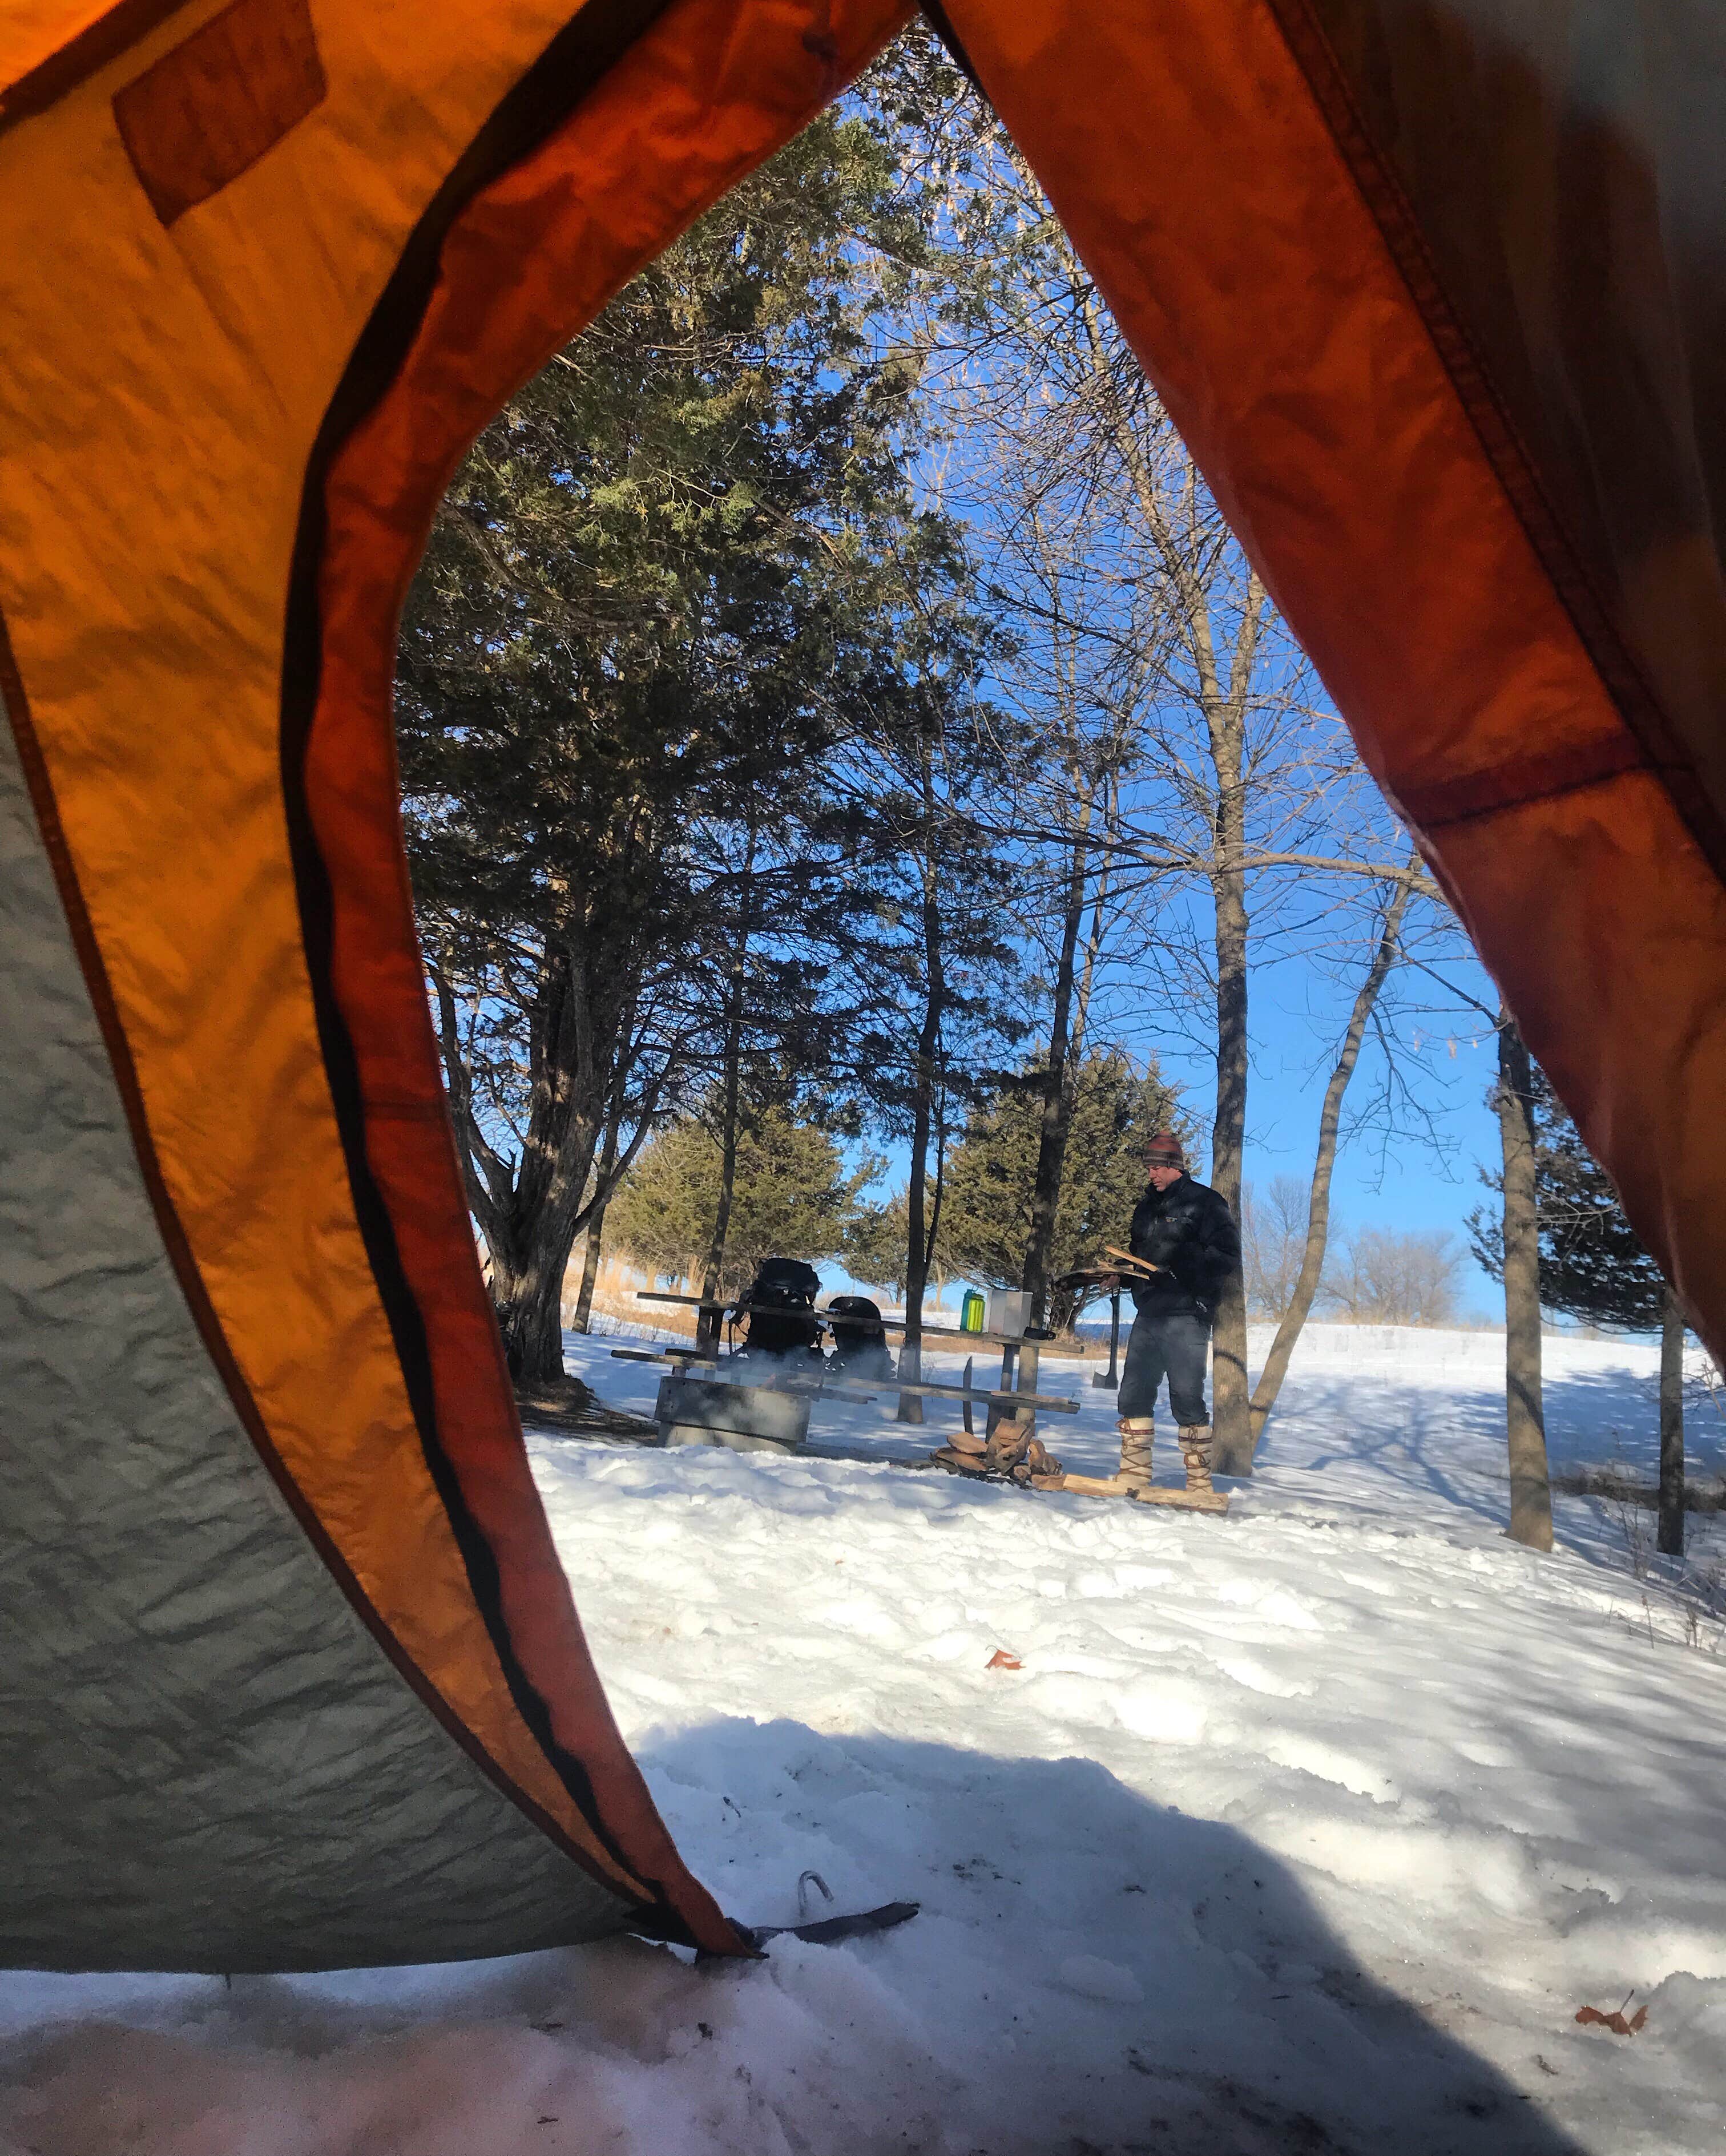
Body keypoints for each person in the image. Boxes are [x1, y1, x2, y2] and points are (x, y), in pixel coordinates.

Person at [1106, 1130, 1240, 1494]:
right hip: (1148, 1311)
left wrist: (1184, 1261)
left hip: (1187, 1314)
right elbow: (1140, 1260)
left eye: (1157, 1168)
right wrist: (1120, 1275)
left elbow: (1227, 1256)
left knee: (1186, 1397)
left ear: (1175, 1167)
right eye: (1148, 1168)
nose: (1151, 1174)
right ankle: (1134, 1474)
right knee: (1133, 1395)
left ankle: (1199, 1483)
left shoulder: (1207, 1203)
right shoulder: (1146, 1208)